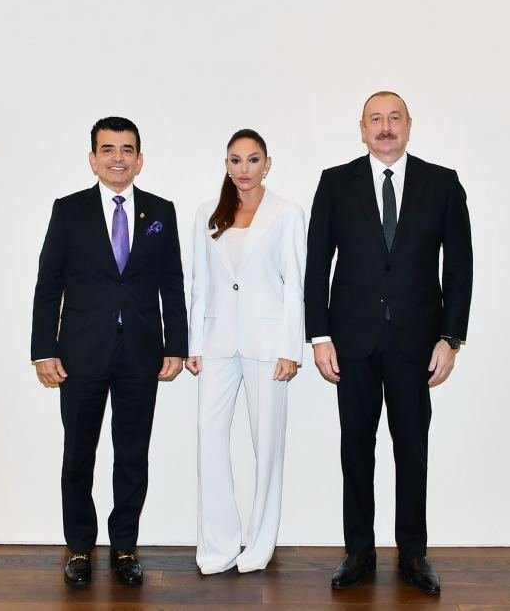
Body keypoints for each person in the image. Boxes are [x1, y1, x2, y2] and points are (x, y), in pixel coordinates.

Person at [304, 92, 473, 594]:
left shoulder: (442, 184)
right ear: (361, 128)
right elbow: (316, 264)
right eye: (375, 119)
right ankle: (358, 551)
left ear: (409, 125)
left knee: (412, 450)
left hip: (416, 343)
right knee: (356, 448)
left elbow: (459, 267)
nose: (385, 127)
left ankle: (413, 553)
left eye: (394, 118)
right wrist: (319, 335)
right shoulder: (335, 183)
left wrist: (450, 338)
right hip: (351, 342)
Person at [31, 116, 188, 587]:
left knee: (132, 454)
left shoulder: (161, 211)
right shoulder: (69, 210)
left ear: (140, 159)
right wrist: (43, 349)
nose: (118, 158)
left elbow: (172, 283)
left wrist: (176, 345)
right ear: (93, 158)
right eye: (108, 149)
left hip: (141, 353)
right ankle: (80, 547)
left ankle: (124, 547)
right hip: (80, 354)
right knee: (78, 454)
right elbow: (48, 285)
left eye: (126, 149)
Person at [186, 129, 306, 574]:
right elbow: (199, 282)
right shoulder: (207, 213)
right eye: (235, 160)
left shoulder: (287, 213)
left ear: (267, 164)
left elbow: (294, 285)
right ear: (226, 164)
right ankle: (217, 546)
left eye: (253, 160)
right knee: (209, 437)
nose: (244, 169)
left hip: (268, 344)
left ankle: (258, 545)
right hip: (217, 342)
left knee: (267, 444)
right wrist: (194, 343)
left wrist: (291, 347)